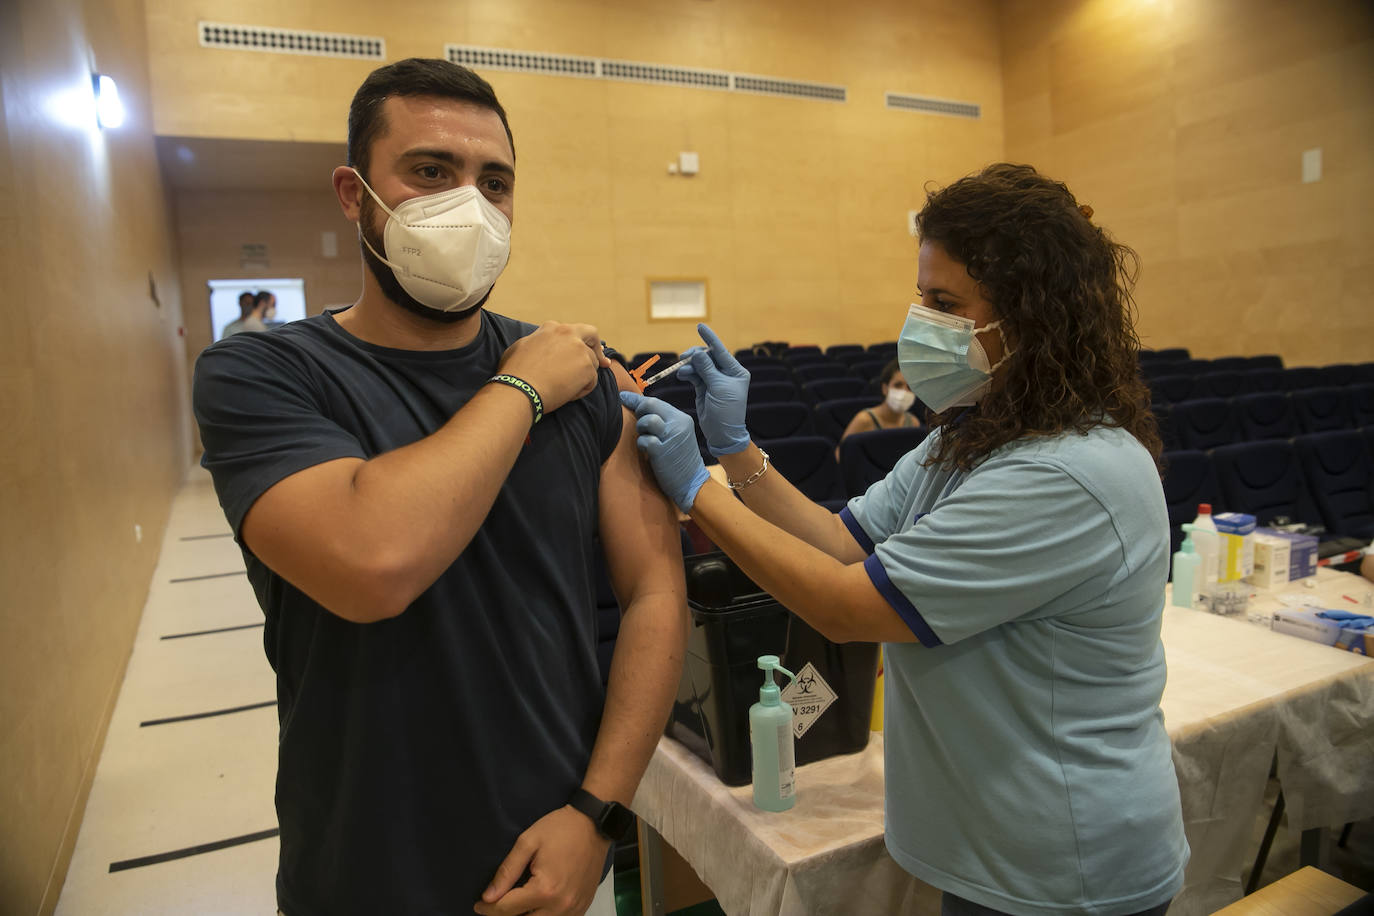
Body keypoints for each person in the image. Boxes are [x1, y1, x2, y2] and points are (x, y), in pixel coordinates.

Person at [622, 163, 1189, 915]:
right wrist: (735, 450)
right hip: (992, 846)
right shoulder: (974, 434)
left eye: (945, 302)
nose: (920, 320)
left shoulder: (1069, 474)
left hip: (1063, 867)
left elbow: (846, 605)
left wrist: (698, 493)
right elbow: (838, 542)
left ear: (1030, 319)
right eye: (922, 295)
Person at [192, 58, 687, 916]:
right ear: (354, 194)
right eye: (431, 171)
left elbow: (654, 595)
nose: (470, 203)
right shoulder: (264, 374)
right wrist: (521, 389)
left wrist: (598, 813)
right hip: (363, 862)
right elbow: (372, 562)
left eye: (494, 182)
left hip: (555, 853)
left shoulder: (581, 375)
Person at [837, 359, 921, 456]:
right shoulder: (864, 420)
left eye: (910, 388)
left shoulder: (913, 422)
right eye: (898, 385)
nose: (904, 392)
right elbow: (840, 455)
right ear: (885, 388)